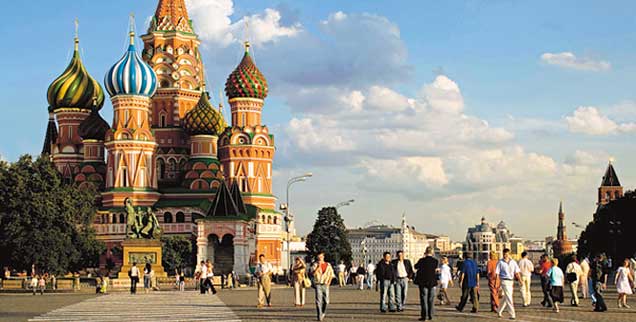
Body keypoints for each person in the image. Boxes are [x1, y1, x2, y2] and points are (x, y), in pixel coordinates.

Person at [414, 247, 439, 321]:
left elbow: (416, 266)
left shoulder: (422, 260)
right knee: (431, 299)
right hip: (432, 282)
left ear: (425, 252)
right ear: (432, 252)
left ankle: (424, 316)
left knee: (424, 299)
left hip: (423, 282)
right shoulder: (435, 261)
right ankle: (431, 315)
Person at [495, 248, 521, 320]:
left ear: (509, 254)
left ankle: (499, 310)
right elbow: (497, 273)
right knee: (509, 297)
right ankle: (512, 314)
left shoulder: (513, 262)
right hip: (504, 281)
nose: (505, 256)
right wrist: (497, 283)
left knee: (506, 297)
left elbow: (517, 272)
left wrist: (520, 280)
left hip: (511, 281)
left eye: (506, 254)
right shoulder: (500, 262)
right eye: (504, 254)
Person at [311, 252, 334, 321]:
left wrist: (329, 282)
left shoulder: (328, 265)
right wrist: (318, 267)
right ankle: (319, 315)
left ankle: (323, 312)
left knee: (326, 301)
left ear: (323, 257)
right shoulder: (315, 265)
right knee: (318, 301)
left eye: (321, 257)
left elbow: (331, 274)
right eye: (318, 257)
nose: (320, 258)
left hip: (325, 284)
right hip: (318, 284)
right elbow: (313, 274)